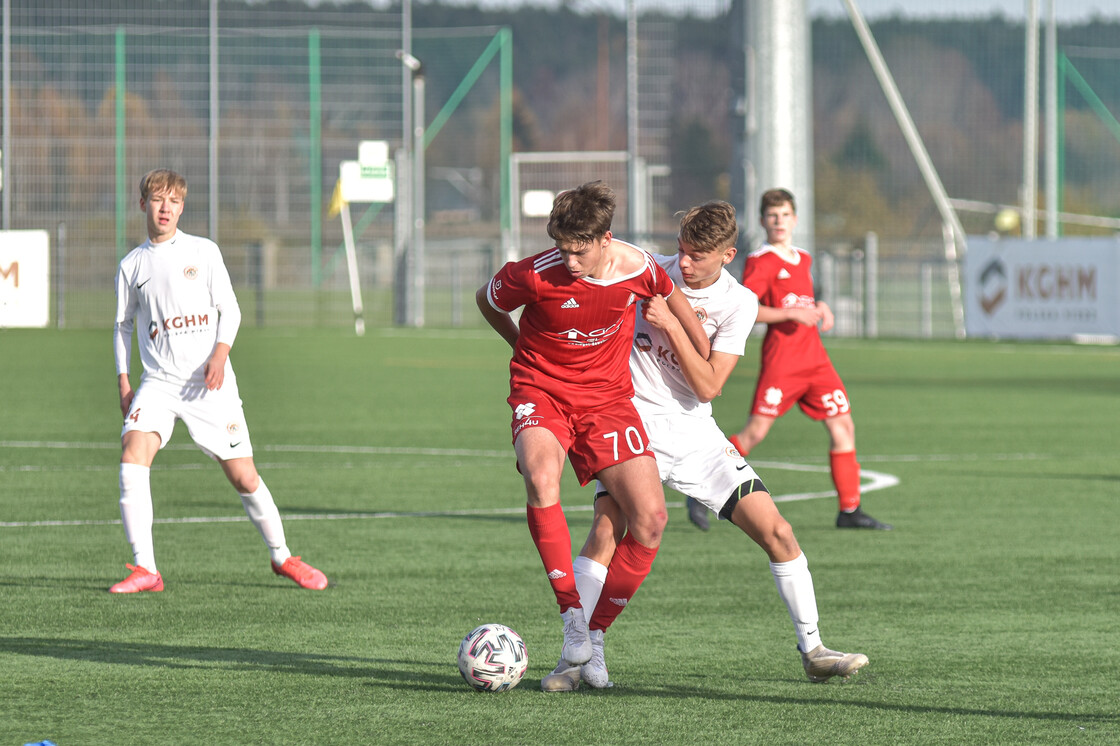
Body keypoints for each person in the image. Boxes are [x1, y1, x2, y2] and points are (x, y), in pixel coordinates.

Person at [541, 200, 869, 691]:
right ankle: (578, 656)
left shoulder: (739, 304)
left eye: (697, 255)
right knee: (609, 529)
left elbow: (710, 386)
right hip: (631, 421)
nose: (685, 263)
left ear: (728, 255)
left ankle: (814, 650)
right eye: (681, 251)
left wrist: (672, 324)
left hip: (695, 433)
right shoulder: (651, 271)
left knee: (777, 531)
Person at [476, 181, 710, 677]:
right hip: (542, 391)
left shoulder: (640, 268)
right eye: (562, 249)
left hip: (607, 401)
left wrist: (695, 341)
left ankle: (597, 634)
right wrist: (520, 347)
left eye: (579, 251)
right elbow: (488, 300)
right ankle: (572, 619)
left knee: (650, 521)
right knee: (541, 478)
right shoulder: (535, 274)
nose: (570, 262)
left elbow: (676, 301)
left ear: (606, 239)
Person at [110, 168, 328, 593]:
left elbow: (231, 310)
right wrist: (123, 381)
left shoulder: (203, 252)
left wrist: (220, 354)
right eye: (157, 200)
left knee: (245, 477)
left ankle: (283, 557)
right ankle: (146, 569)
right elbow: (121, 327)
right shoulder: (132, 265)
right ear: (143, 205)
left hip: (210, 384)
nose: (165, 208)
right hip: (158, 382)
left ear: (182, 206)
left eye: (173, 200)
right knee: (132, 454)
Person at [728, 188, 891, 530]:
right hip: (782, 363)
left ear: (795, 219)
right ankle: (703, 480)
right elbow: (747, 310)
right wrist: (789, 315)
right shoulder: (761, 260)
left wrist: (821, 308)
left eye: (785, 215)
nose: (779, 221)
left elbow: (804, 301)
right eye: (772, 216)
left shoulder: (803, 258)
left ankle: (849, 511)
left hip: (816, 361)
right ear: (762, 221)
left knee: (843, 426)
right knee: (755, 433)